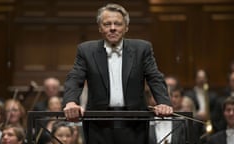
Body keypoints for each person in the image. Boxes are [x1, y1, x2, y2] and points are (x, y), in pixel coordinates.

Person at [63, 3, 173, 144]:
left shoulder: (142, 48)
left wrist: (163, 102)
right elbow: (75, 78)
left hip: (134, 124)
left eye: (118, 24)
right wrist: (71, 102)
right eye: (107, 24)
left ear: (126, 27)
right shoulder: (86, 50)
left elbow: (154, 77)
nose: (113, 28)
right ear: (100, 28)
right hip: (98, 124)